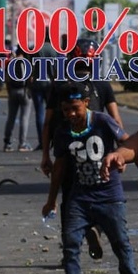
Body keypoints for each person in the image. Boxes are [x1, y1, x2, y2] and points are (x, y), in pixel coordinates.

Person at [42, 81, 138, 274]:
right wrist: (51, 200)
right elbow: (60, 167)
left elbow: (130, 144)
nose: (71, 114)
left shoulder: (102, 121)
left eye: (75, 108)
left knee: (120, 243)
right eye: (66, 110)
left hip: (109, 196)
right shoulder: (63, 131)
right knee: (70, 245)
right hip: (80, 197)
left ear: (86, 103)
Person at [39, 39, 124, 261]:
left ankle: (70, 251)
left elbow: (48, 122)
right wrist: (122, 152)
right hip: (99, 153)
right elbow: (116, 119)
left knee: (69, 198)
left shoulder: (59, 85)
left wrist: (45, 154)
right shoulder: (102, 84)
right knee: (99, 194)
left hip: (67, 149)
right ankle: (95, 227)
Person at [3, 46, 33, 152]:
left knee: (11, 117)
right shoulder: (27, 63)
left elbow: (7, 79)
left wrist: (9, 92)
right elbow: (31, 78)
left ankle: (7, 143)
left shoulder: (11, 62)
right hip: (24, 92)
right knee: (24, 118)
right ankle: (22, 143)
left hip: (13, 91)